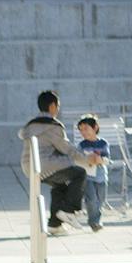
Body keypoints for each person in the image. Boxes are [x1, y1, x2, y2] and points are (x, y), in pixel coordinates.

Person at [19, 91, 88, 234]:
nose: (58, 109)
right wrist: (86, 160)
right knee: (79, 174)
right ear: (52, 106)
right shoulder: (52, 126)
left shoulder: (31, 124)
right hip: (45, 164)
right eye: (58, 106)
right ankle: (70, 210)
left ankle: (55, 224)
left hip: (29, 166)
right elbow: (67, 149)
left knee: (60, 185)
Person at [75, 114, 110, 233]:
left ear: (95, 128)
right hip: (87, 176)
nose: (83, 132)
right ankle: (93, 222)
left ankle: (97, 219)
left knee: (101, 199)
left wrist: (100, 160)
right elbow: (77, 159)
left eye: (86, 129)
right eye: (81, 130)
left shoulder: (103, 143)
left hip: (101, 176)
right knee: (91, 199)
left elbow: (107, 159)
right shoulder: (82, 145)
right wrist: (86, 159)